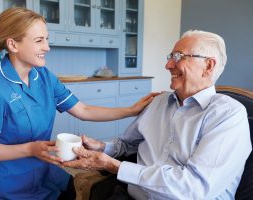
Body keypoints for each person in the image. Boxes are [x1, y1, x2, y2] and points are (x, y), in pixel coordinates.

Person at [0, 7, 156, 200]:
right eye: (39, 40)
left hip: (45, 171)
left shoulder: (44, 77)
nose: (47, 47)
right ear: (13, 45)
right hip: (9, 184)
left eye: (46, 39)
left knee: (70, 190)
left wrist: (130, 110)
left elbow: (83, 109)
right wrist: (30, 148)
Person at [64, 30, 252, 199]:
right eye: (171, 56)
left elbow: (193, 189)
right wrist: (102, 147)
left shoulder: (227, 115)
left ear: (209, 66)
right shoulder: (159, 102)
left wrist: (114, 166)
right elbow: (128, 144)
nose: (168, 65)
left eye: (179, 56)